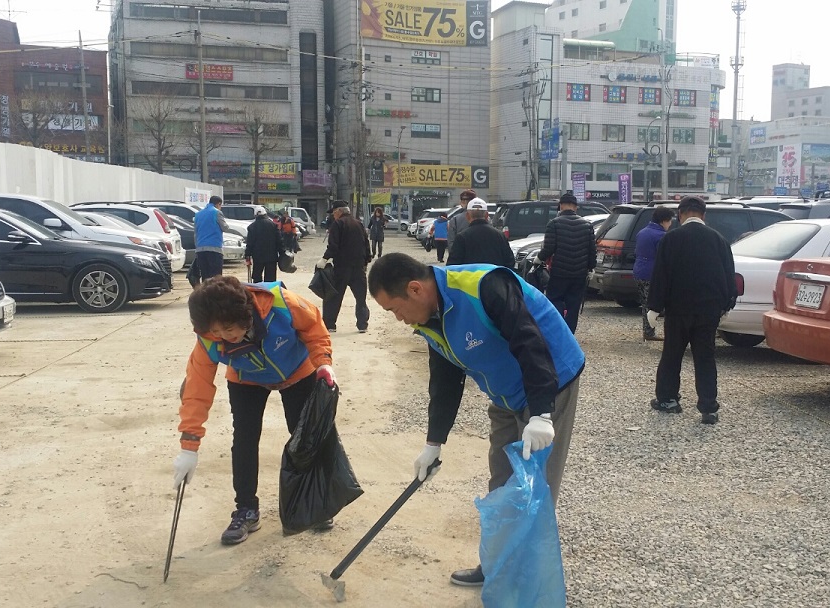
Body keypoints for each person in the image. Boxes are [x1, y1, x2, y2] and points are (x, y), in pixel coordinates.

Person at [367, 253, 585, 587]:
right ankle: (497, 565)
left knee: (534, 482)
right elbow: (444, 380)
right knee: (502, 480)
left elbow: (529, 341)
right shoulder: (427, 319)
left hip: (549, 378)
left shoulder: (483, 286)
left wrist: (541, 413)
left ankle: (528, 577)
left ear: (414, 289)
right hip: (505, 392)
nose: (398, 319)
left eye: (394, 309)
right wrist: (433, 443)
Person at [172, 276, 336, 544]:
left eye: (229, 329)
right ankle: (246, 509)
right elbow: (196, 390)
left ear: (245, 312)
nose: (226, 337)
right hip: (246, 377)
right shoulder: (208, 338)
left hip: (297, 370)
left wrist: (323, 363)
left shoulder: (283, 305)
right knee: (245, 439)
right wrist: (189, 447)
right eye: (218, 332)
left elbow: (315, 329)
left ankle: (315, 503)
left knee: (304, 436)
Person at [646, 196, 736, 425]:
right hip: (708, 311)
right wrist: (727, 304)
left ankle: (668, 399)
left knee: (672, 355)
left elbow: (661, 275)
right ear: (703, 215)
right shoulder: (719, 240)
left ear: (680, 214)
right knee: (705, 357)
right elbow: (728, 275)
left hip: (678, 309)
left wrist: (654, 307)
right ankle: (708, 407)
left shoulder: (672, 239)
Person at [533, 193, 597, 333]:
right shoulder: (587, 225)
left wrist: (539, 259)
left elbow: (549, 248)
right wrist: (591, 267)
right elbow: (592, 250)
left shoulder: (554, 223)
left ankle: (557, 330)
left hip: (559, 272)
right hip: (579, 274)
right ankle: (569, 334)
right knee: (574, 304)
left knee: (554, 299)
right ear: (576, 207)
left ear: (560, 205)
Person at [318, 201, 372, 333]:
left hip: (342, 267)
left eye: (334, 213)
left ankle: (330, 324)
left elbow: (333, 246)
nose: (333, 216)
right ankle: (362, 324)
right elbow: (366, 243)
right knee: (361, 297)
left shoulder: (338, 224)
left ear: (339, 211)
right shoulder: (358, 223)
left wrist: (324, 259)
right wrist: (366, 261)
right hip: (358, 267)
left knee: (333, 296)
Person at [634, 206, 674, 341]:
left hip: (639, 271)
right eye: (670, 221)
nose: (670, 224)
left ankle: (648, 331)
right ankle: (651, 332)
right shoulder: (662, 236)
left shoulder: (642, 232)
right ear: (664, 221)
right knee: (657, 304)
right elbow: (665, 258)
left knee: (645, 303)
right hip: (652, 273)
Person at [447, 198, 514, 268]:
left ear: (467, 216)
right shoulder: (500, 235)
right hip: (495, 277)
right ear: (486, 215)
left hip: (470, 278)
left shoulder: (461, 237)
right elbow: (510, 261)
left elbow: (452, 266)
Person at [193, 195, 229, 281]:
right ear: (218, 204)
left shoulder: (198, 214)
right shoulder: (217, 212)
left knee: (205, 276)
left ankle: (206, 293)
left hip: (200, 249)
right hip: (214, 248)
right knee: (216, 276)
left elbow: (195, 232)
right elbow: (225, 227)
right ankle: (215, 294)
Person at [243, 207, 283, 283]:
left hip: (258, 257)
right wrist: (282, 253)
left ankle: (258, 293)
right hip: (272, 257)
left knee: (257, 278)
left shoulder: (252, 227)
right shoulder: (273, 225)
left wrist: (247, 255)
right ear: (265, 214)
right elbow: (279, 241)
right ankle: (270, 293)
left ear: (255, 215)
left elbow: (250, 243)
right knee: (270, 279)